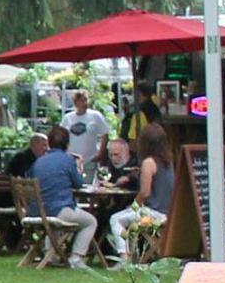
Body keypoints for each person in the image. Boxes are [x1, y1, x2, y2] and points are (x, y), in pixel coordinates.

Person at [29, 122, 99, 267]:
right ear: (67, 143)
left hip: (37, 212)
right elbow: (79, 184)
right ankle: (76, 257)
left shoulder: (38, 162)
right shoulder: (67, 160)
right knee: (91, 221)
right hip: (58, 211)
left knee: (57, 218)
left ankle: (50, 254)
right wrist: (79, 166)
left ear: (49, 143)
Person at [111, 123, 178, 256]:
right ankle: (133, 254)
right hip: (167, 212)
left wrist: (133, 206)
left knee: (116, 219)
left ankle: (124, 256)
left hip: (153, 213)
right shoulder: (168, 162)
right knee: (127, 218)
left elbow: (145, 193)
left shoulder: (148, 162)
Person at [61, 89, 112, 168]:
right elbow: (62, 137)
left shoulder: (95, 116)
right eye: (81, 100)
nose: (84, 103)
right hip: (71, 160)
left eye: (85, 100)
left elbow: (105, 134)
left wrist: (101, 154)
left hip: (90, 160)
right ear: (75, 102)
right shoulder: (67, 118)